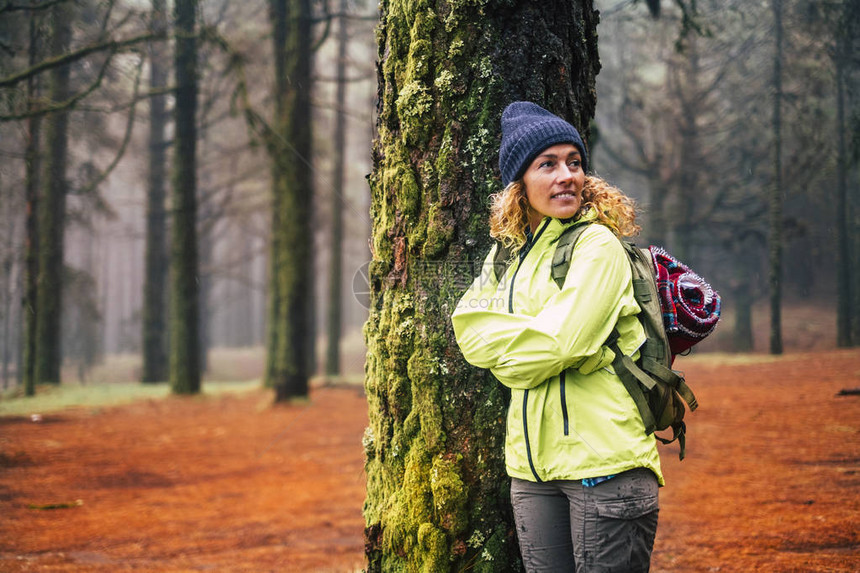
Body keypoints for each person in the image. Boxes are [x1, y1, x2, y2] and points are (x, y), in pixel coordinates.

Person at [451, 101, 662, 572]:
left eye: (574, 161)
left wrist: (508, 355)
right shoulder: (507, 256)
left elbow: (562, 342)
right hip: (531, 472)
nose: (566, 174)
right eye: (547, 164)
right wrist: (546, 348)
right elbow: (468, 331)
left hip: (606, 467)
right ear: (519, 183)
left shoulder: (597, 246)